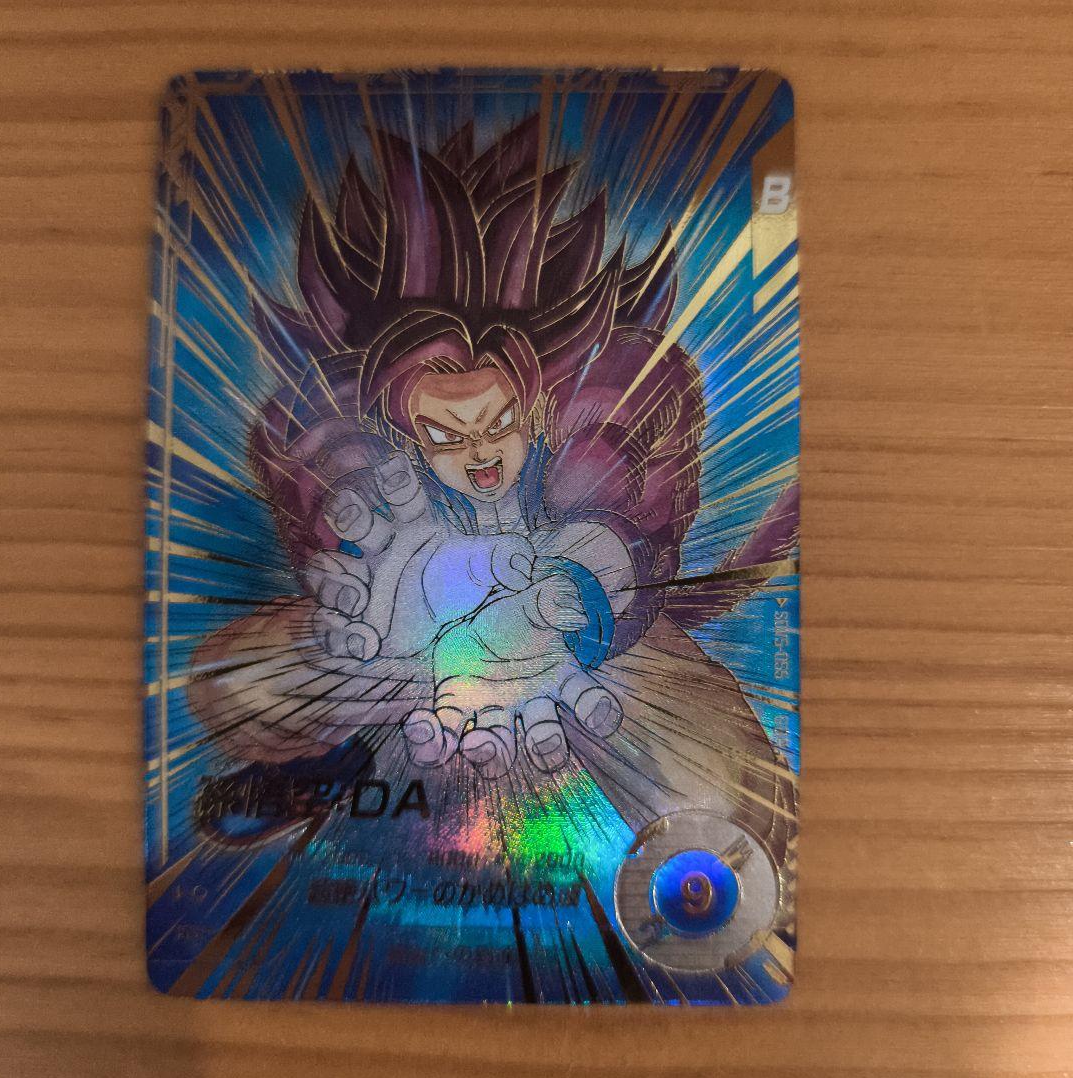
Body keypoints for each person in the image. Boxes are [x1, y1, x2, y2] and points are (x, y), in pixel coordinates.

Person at [188, 115, 797, 858]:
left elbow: (618, 493)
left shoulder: (604, 397)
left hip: (584, 643)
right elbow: (323, 483)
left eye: (497, 421)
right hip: (419, 651)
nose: (479, 451)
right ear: (404, 426)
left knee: (729, 804)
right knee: (235, 684)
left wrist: (565, 594)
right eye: (447, 433)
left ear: (532, 403)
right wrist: (387, 591)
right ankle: (338, 762)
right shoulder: (348, 429)